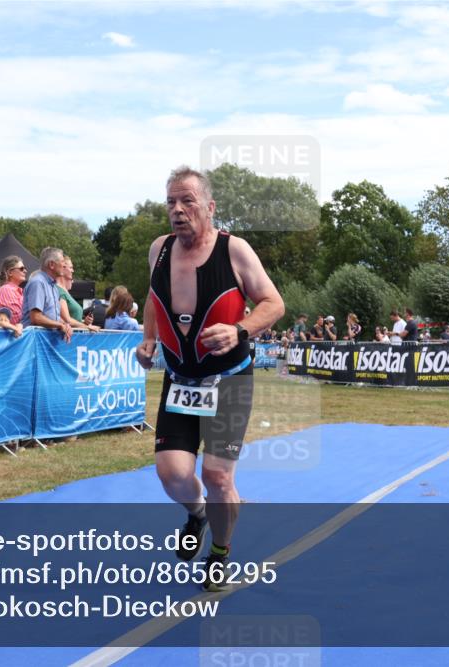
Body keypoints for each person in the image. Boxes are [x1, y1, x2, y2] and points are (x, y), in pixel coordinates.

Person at [135, 166, 284, 592]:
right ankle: (197, 514)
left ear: (210, 207)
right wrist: (149, 338)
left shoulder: (234, 250)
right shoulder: (159, 250)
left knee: (219, 476)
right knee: (172, 473)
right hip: (181, 380)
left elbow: (274, 303)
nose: (178, 211)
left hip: (229, 380)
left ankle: (220, 552)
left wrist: (240, 329)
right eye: (171, 203)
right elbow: (152, 296)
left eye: (187, 202)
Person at [21, 247, 73, 341]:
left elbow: (53, 316)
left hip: (45, 342)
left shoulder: (53, 286)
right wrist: (60, 325)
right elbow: (36, 317)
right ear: (51, 264)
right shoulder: (38, 283)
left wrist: (65, 325)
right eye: (62, 262)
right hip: (34, 342)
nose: (64, 265)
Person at [58, 256, 99, 331]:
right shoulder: (59, 290)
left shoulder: (64, 291)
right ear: (62, 268)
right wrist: (87, 327)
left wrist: (84, 322)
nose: (73, 270)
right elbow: (66, 320)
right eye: (70, 268)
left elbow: (71, 319)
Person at [0, 256, 26, 325]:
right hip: (11, 334)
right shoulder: (6, 289)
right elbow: (16, 318)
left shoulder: (19, 291)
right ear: (10, 272)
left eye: (24, 268)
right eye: (21, 268)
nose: (25, 271)